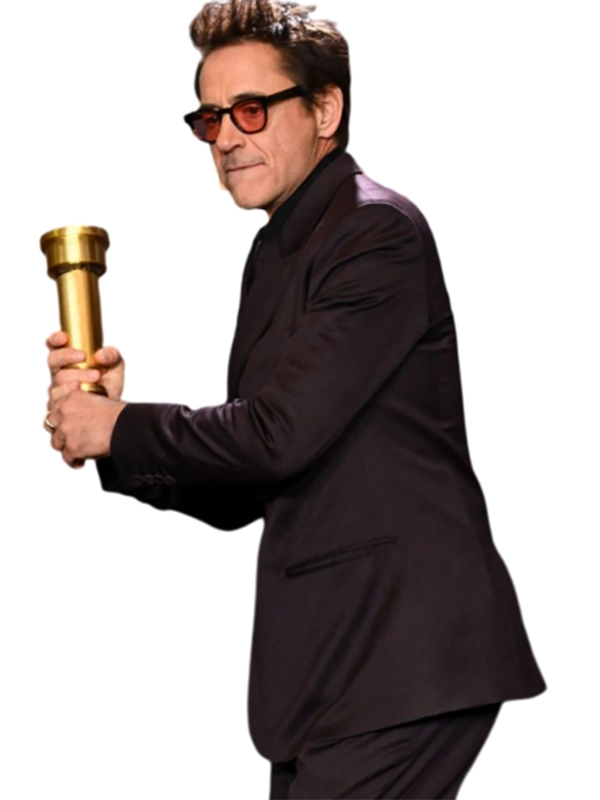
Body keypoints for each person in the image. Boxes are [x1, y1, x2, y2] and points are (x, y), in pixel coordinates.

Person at [44, 1, 546, 797]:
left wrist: (120, 427)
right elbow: (249, 484)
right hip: (334, 674)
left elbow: (276, 434)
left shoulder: (375, 234)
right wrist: (115, 439)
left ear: (325, 109)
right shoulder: (279, 251)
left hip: (402, 656)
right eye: (210, 118)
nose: (226, 138)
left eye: (250, 108)